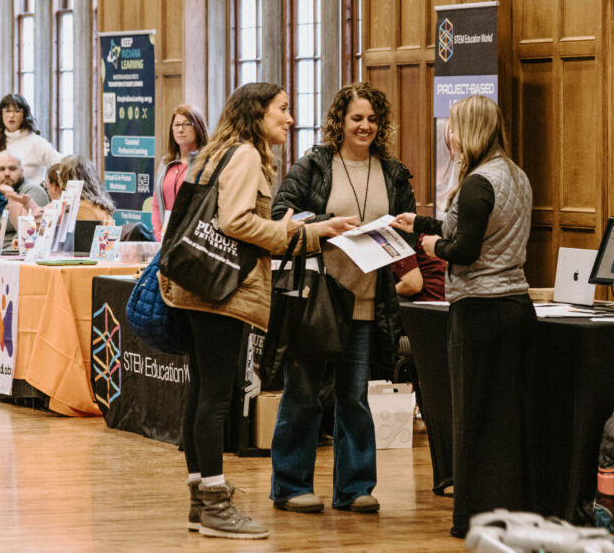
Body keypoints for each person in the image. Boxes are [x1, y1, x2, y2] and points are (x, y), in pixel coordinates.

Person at [157, 82, 357, 540]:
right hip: (221, 293)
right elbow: (237, 222)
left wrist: (317, 230)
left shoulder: (214, 152)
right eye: (282, 109)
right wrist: (286, 231)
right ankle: (214, 506)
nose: (289, 118)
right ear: (256, 113)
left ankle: (199, 501)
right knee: (215, 399)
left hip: (194, 285)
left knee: (200, 394)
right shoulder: (246, 155)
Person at [268, 82, 416, 516]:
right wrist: (328, 224)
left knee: (354, 397)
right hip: (318, 299)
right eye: (356, 118)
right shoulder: (315, 164)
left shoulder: (392, 171)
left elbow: (407, 227)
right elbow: (282, 215)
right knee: (304, 394)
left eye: (372, 119)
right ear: (340, 121)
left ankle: (355, 488)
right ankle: (290, 485)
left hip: (368, 301)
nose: (365, 126)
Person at [391, 95, 535, 538]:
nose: (447, 135)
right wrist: (420, 223)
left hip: (479, 311)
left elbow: (466, 250)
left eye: (451, 126)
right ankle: (510, 511)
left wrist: (432, 248)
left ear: (466, 130)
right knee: (508, 417)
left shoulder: (475, 183)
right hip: (515, 306)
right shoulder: (514, 175)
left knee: (471, 416)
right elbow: (474, 230)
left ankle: (471, 518)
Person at [0, 150, 49, 249]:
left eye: (12, 169)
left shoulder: (34, 193)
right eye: (2, 169)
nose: (7, 173)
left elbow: (26, 238)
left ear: (21, 171)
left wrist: (11, 196)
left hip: (13, 257)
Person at [153, 105, 208, 240]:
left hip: (192, 239)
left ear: (198, 128)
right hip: (164, 238)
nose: (180, 129)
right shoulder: (166, 163)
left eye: (186, 124)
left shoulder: (206, 163)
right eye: (176, 125)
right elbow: (156, 203)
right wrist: (158, 235)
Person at [0, 94, 62, 185]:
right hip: (1, 198)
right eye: (7, 111)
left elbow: (62, 164)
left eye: (17, 111)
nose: (11, 115)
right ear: (1, 115)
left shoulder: (36, 143)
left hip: (30, 197)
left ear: (24, 115)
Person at [391, 233, 447, 301]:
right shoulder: (424, 233)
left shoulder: (393, 238)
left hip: (425, 302)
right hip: (443, 300)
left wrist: (384, 293)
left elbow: (412, 285)